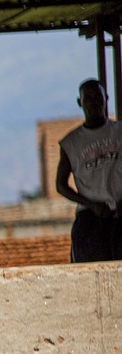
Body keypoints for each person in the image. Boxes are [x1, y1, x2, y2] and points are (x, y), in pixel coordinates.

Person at [56, 79, 122, 262]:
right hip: (91, 218)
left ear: (106, 99)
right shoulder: (71, 143)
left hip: (120, 212)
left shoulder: (119, 131)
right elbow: (60, 185)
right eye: (88, 99)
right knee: (91, 271)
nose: (93, 103)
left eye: (98, 97)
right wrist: (91, 204)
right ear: (80, 102)